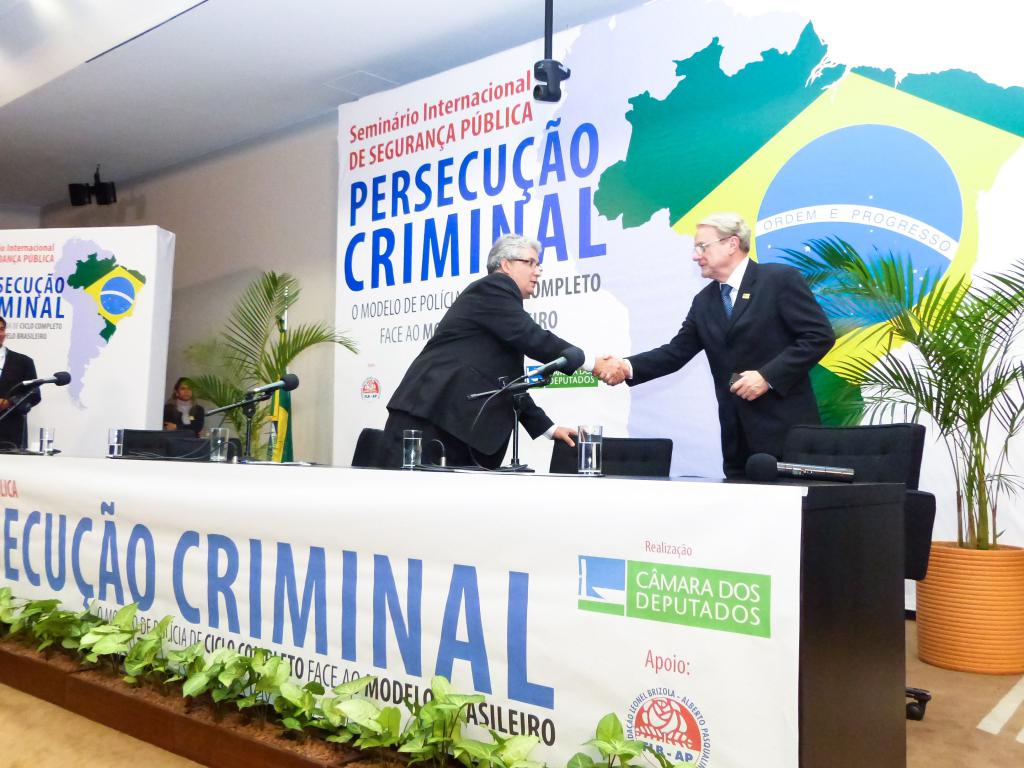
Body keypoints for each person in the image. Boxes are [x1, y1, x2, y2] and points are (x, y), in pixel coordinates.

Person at [594, 212, 835, 477]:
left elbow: (818, 336)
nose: (695, 256)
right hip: (737, 441)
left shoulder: (779, 280)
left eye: (702, 246)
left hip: (786, 434)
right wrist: (626, 367)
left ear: (732, 244)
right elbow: (676, 352)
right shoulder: (704, 302)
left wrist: (767, 377)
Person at [384, 234, 585, 469]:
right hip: (432, 422)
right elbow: (533, 337)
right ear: (506, 265)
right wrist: (589, 362)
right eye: (530, 263)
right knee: (411, 493)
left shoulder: (502, 310)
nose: (537, 271)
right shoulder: (494, 287)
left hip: (453, 429)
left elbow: (508, 384)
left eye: (538, 265)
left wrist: (549, 429)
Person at [0, 316, 41, 451]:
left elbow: (34, 395)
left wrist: (9, 402)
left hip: (10, 436)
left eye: (1, 329)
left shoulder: (23, 362)